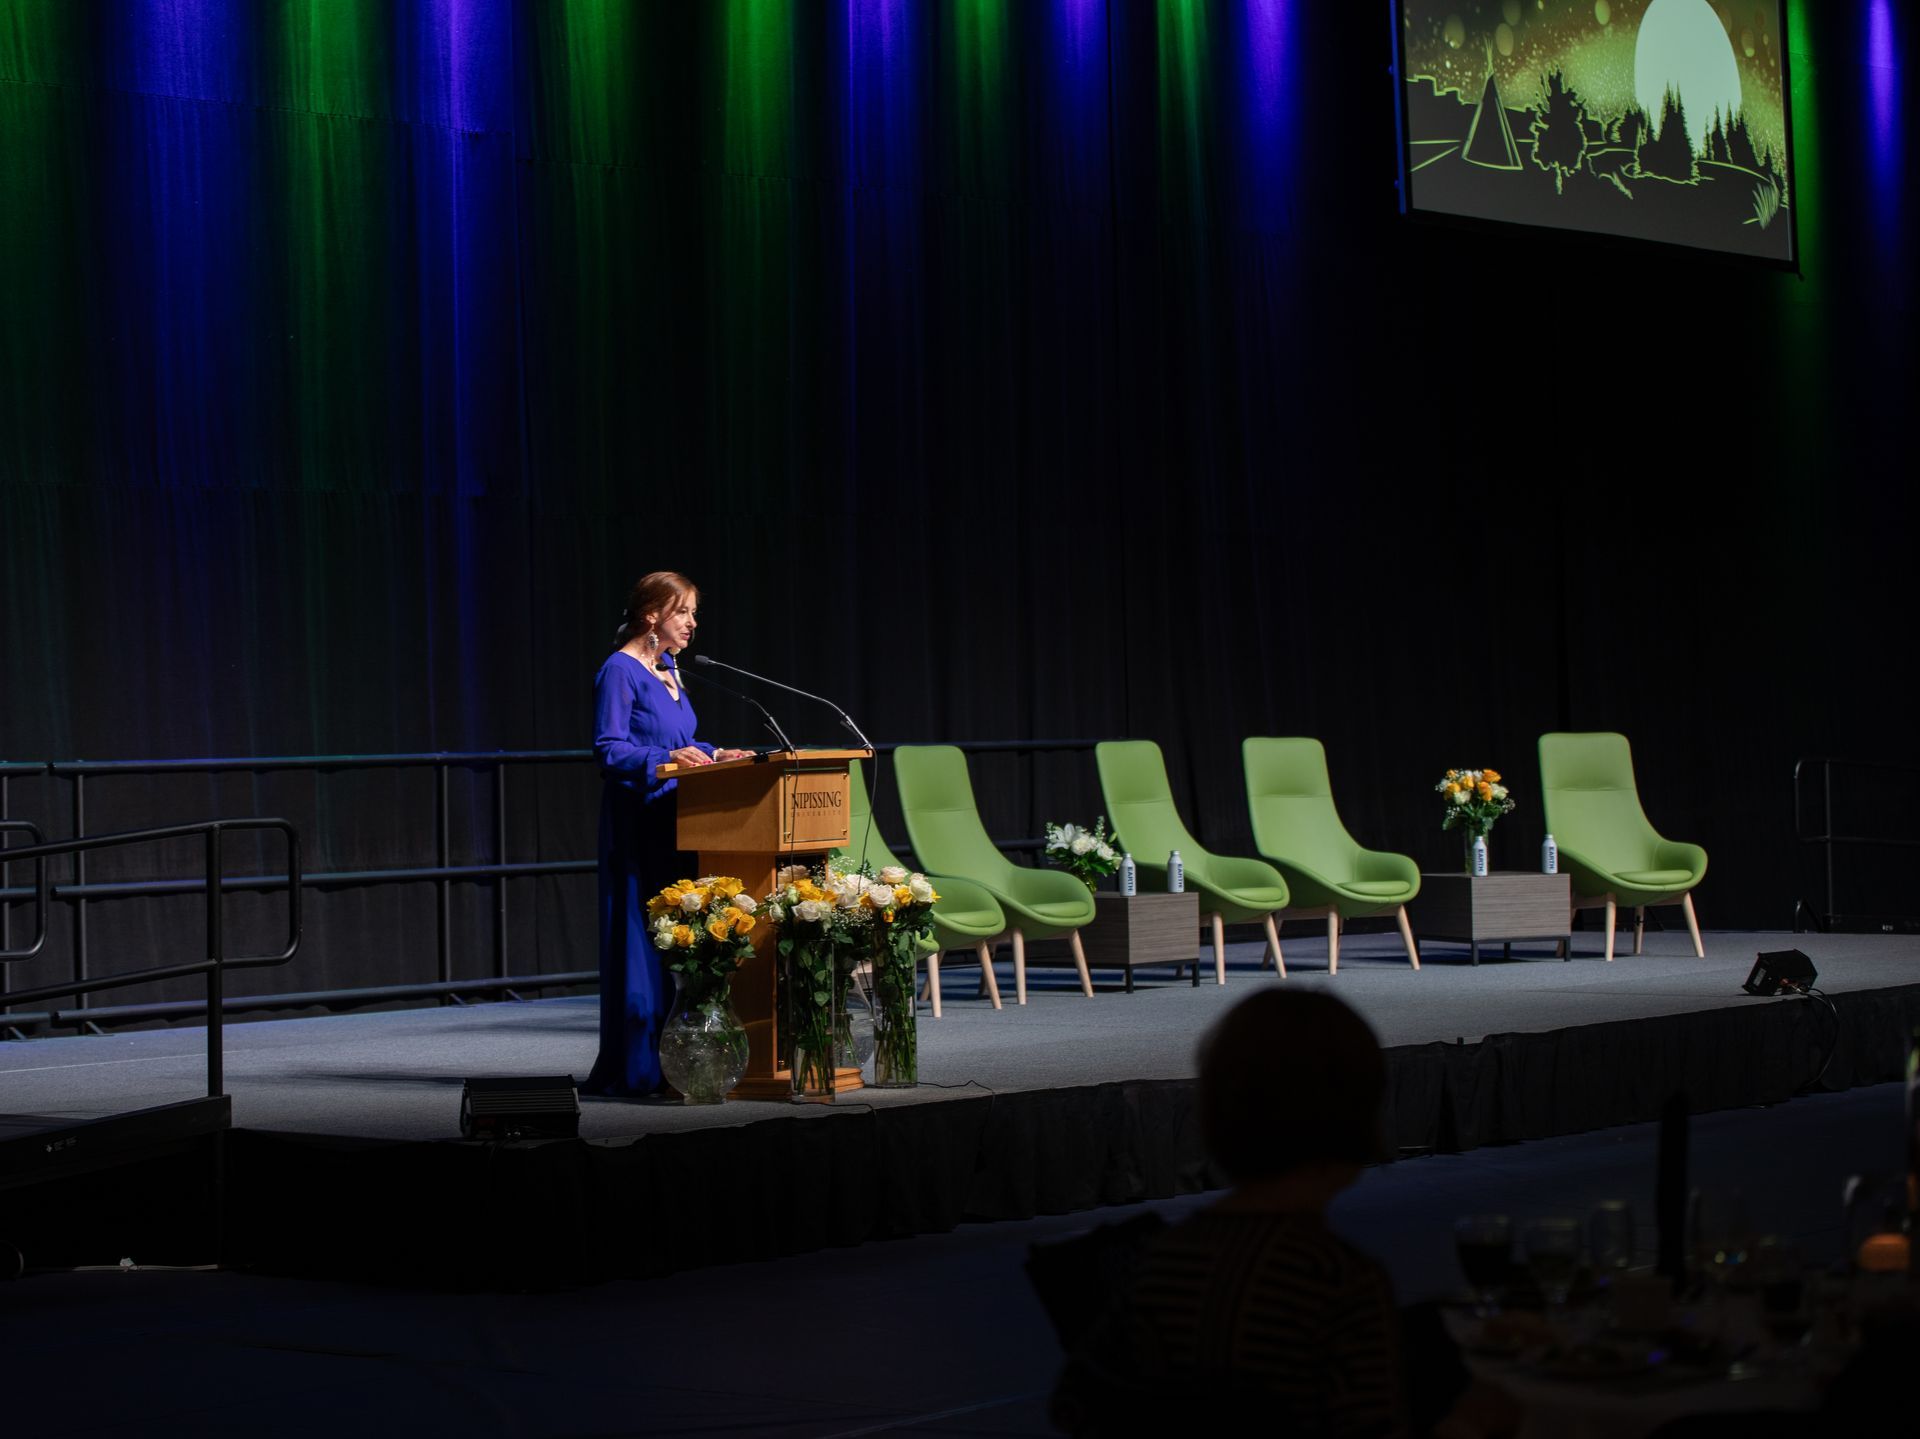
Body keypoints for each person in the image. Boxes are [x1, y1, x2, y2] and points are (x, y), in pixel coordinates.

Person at [1050, 989, 1517, 1438]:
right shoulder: (1338, 1281)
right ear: (1357, 1120)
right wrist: (1469, 1424)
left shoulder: (1155, 1263)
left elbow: (1074, 1405)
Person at [582, 571, 750, 1097]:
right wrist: (665, 759)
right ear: (652, 614)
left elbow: (679, 737)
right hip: (638, 822)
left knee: (676, 943)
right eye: (684, 612)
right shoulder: (620, 671)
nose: (692, 623)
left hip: (678, 818)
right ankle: (639, 1066)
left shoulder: (669, 669)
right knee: (642, 939)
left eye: (693, 613)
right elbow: (609, 749)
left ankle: (680, 1061)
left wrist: (712, 751)